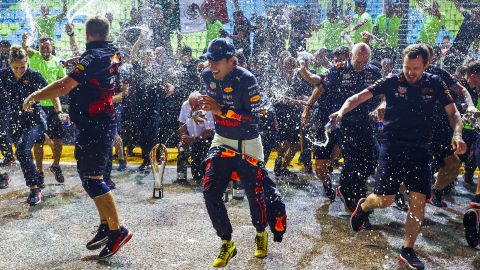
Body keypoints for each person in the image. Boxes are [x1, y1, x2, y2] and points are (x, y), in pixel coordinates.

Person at [330, 44, 465, 270]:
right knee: (385, 200)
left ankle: (408, 249)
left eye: (415, 68)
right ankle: (364, 207)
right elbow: (358, 97)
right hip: (392, 146)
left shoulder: (435, 84)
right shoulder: (392, 80)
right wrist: (342, 111)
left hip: (421, 149)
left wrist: (458, 134)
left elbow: (454, 113)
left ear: (426, 65)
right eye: (406, 67)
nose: (410, 72)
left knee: (418, 199)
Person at [23, 15, 133, 259]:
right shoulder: (113, 52)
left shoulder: (93, 57)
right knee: (87, 177)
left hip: (98, 126)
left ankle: (118, 231)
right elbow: (101, 66)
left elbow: (63, 86)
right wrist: (80, 63)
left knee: (94, 179)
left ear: (87, 35)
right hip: (95, 124)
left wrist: (34, 95)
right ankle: (106, 225)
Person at [200, 38, 286, 268]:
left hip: (249, 143)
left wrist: (222, 111)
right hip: (222, 140)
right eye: (209, 60)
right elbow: (205, 101)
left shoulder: (247, 80)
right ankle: (227, 242)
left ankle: (260, 233)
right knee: (209, 192)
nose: (211, 66)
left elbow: (255, 119)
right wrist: (200, 108)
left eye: (216, 61)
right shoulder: (206, 76)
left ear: (232, 61)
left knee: (255, 194)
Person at [301, 43, 381, 208]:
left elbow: (383, 94)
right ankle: (329, 182)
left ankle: (348, 190)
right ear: (350, 55)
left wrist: (380, 108)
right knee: (321, 167)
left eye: (365, 62)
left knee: (365, 158)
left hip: (356, 123)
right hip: (328, 119)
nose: (361, 65)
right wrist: (307, 108)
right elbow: (319, 86)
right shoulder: (337, 70)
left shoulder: (373, 72)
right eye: (359, 61)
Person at [22, 35, 67, 184]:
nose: (44, 48)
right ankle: (40, 172)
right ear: (39, 48)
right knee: (38, 141)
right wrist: (25, 41)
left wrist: (60, 110)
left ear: (52, 46)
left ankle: (55, 165)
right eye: (42, 46)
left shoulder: (58, 62)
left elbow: (62, 85)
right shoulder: (34, 57)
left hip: (54, 106)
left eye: (47, 45)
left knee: (59, 140)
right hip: (37, 106)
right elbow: (24, 48)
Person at [176, 91, 214, 184]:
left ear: (201, 102)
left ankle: (205, 178)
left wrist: (194, 139)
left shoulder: (207, 108)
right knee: (182, 151)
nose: (193, 109)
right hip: (192, 136)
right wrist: (183, 139)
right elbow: (182, 123)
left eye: (196, 106)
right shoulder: (186, 105)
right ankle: (181, 177)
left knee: (200, 167)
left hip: (207, 139)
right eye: (191, 106)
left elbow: (210, 131)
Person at [443, 3, 480, 72]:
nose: (476, 17)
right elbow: (459, 7)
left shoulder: (478, 28)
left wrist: (473, 56)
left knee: (455, 69)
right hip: (454, 46)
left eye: (478, 15)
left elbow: (476, 44)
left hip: (463, 51)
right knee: (446, 64)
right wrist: (457, 2)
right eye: (476, 14)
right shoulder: (468, 16)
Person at [0, 40, 15, 167]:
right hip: (3, 101)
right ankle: (8, 156)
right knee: (2, 130)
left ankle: (10, 156)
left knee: (5, 130)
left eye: (6, 47)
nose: (4, 49)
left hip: (9, 101)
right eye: (2, 47)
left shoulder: (13, 62)